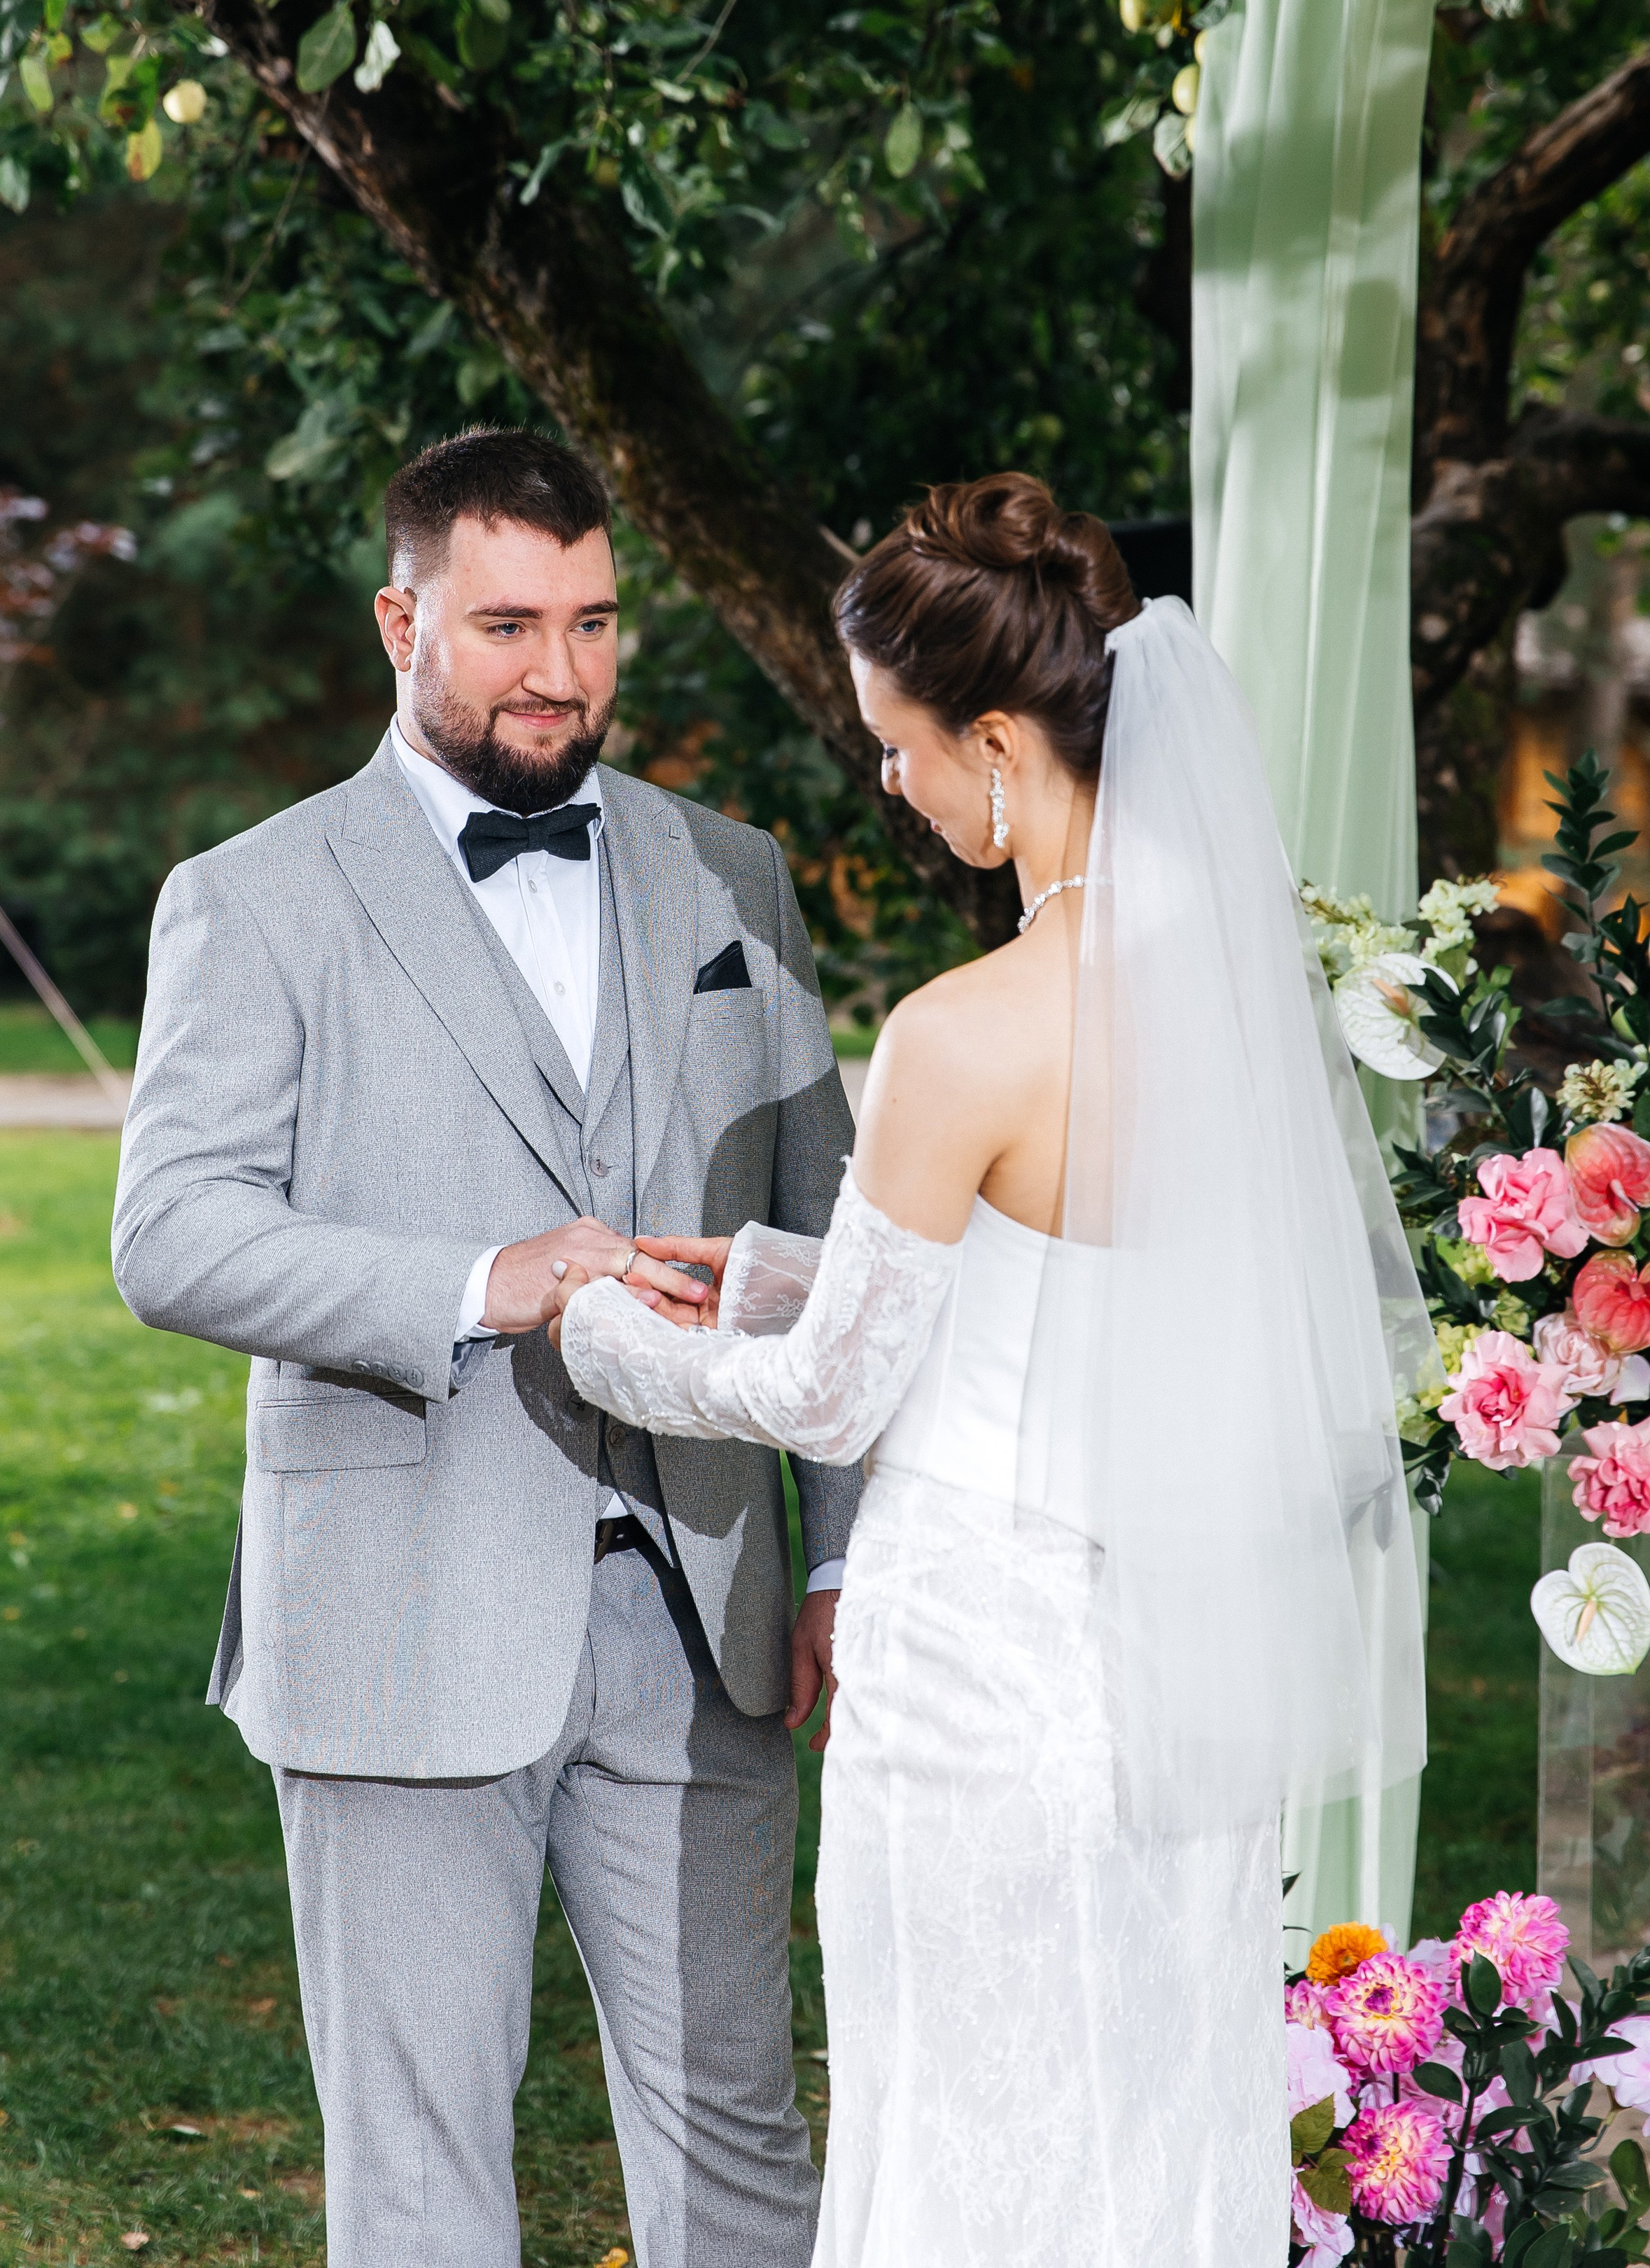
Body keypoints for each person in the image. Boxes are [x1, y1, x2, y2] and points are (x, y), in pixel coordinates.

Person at [553, 472, 1429, 2267]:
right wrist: (783, 1270)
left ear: (1002, 742)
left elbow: (829, 1407)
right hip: (1172, 1682)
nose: (891, 780)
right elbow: (1084, 1285)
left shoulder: (960, 1034)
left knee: (962, 2115)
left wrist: (609, 1337)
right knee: (1146, 2110)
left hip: (975, 1685)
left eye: (901, 745)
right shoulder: (1234, 999)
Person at [111, 426, 860, 2268]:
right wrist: (476, 1278)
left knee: (744, 2137)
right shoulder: (254, 894)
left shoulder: (733, 876)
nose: (561, 672)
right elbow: (172, 1229)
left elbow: (836, 1244)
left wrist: (840, 1548)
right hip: (397, 1601)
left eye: (595, 624)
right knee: (423, 2167)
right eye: (510, 623)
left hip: (708, 1611)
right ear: (401, 619)